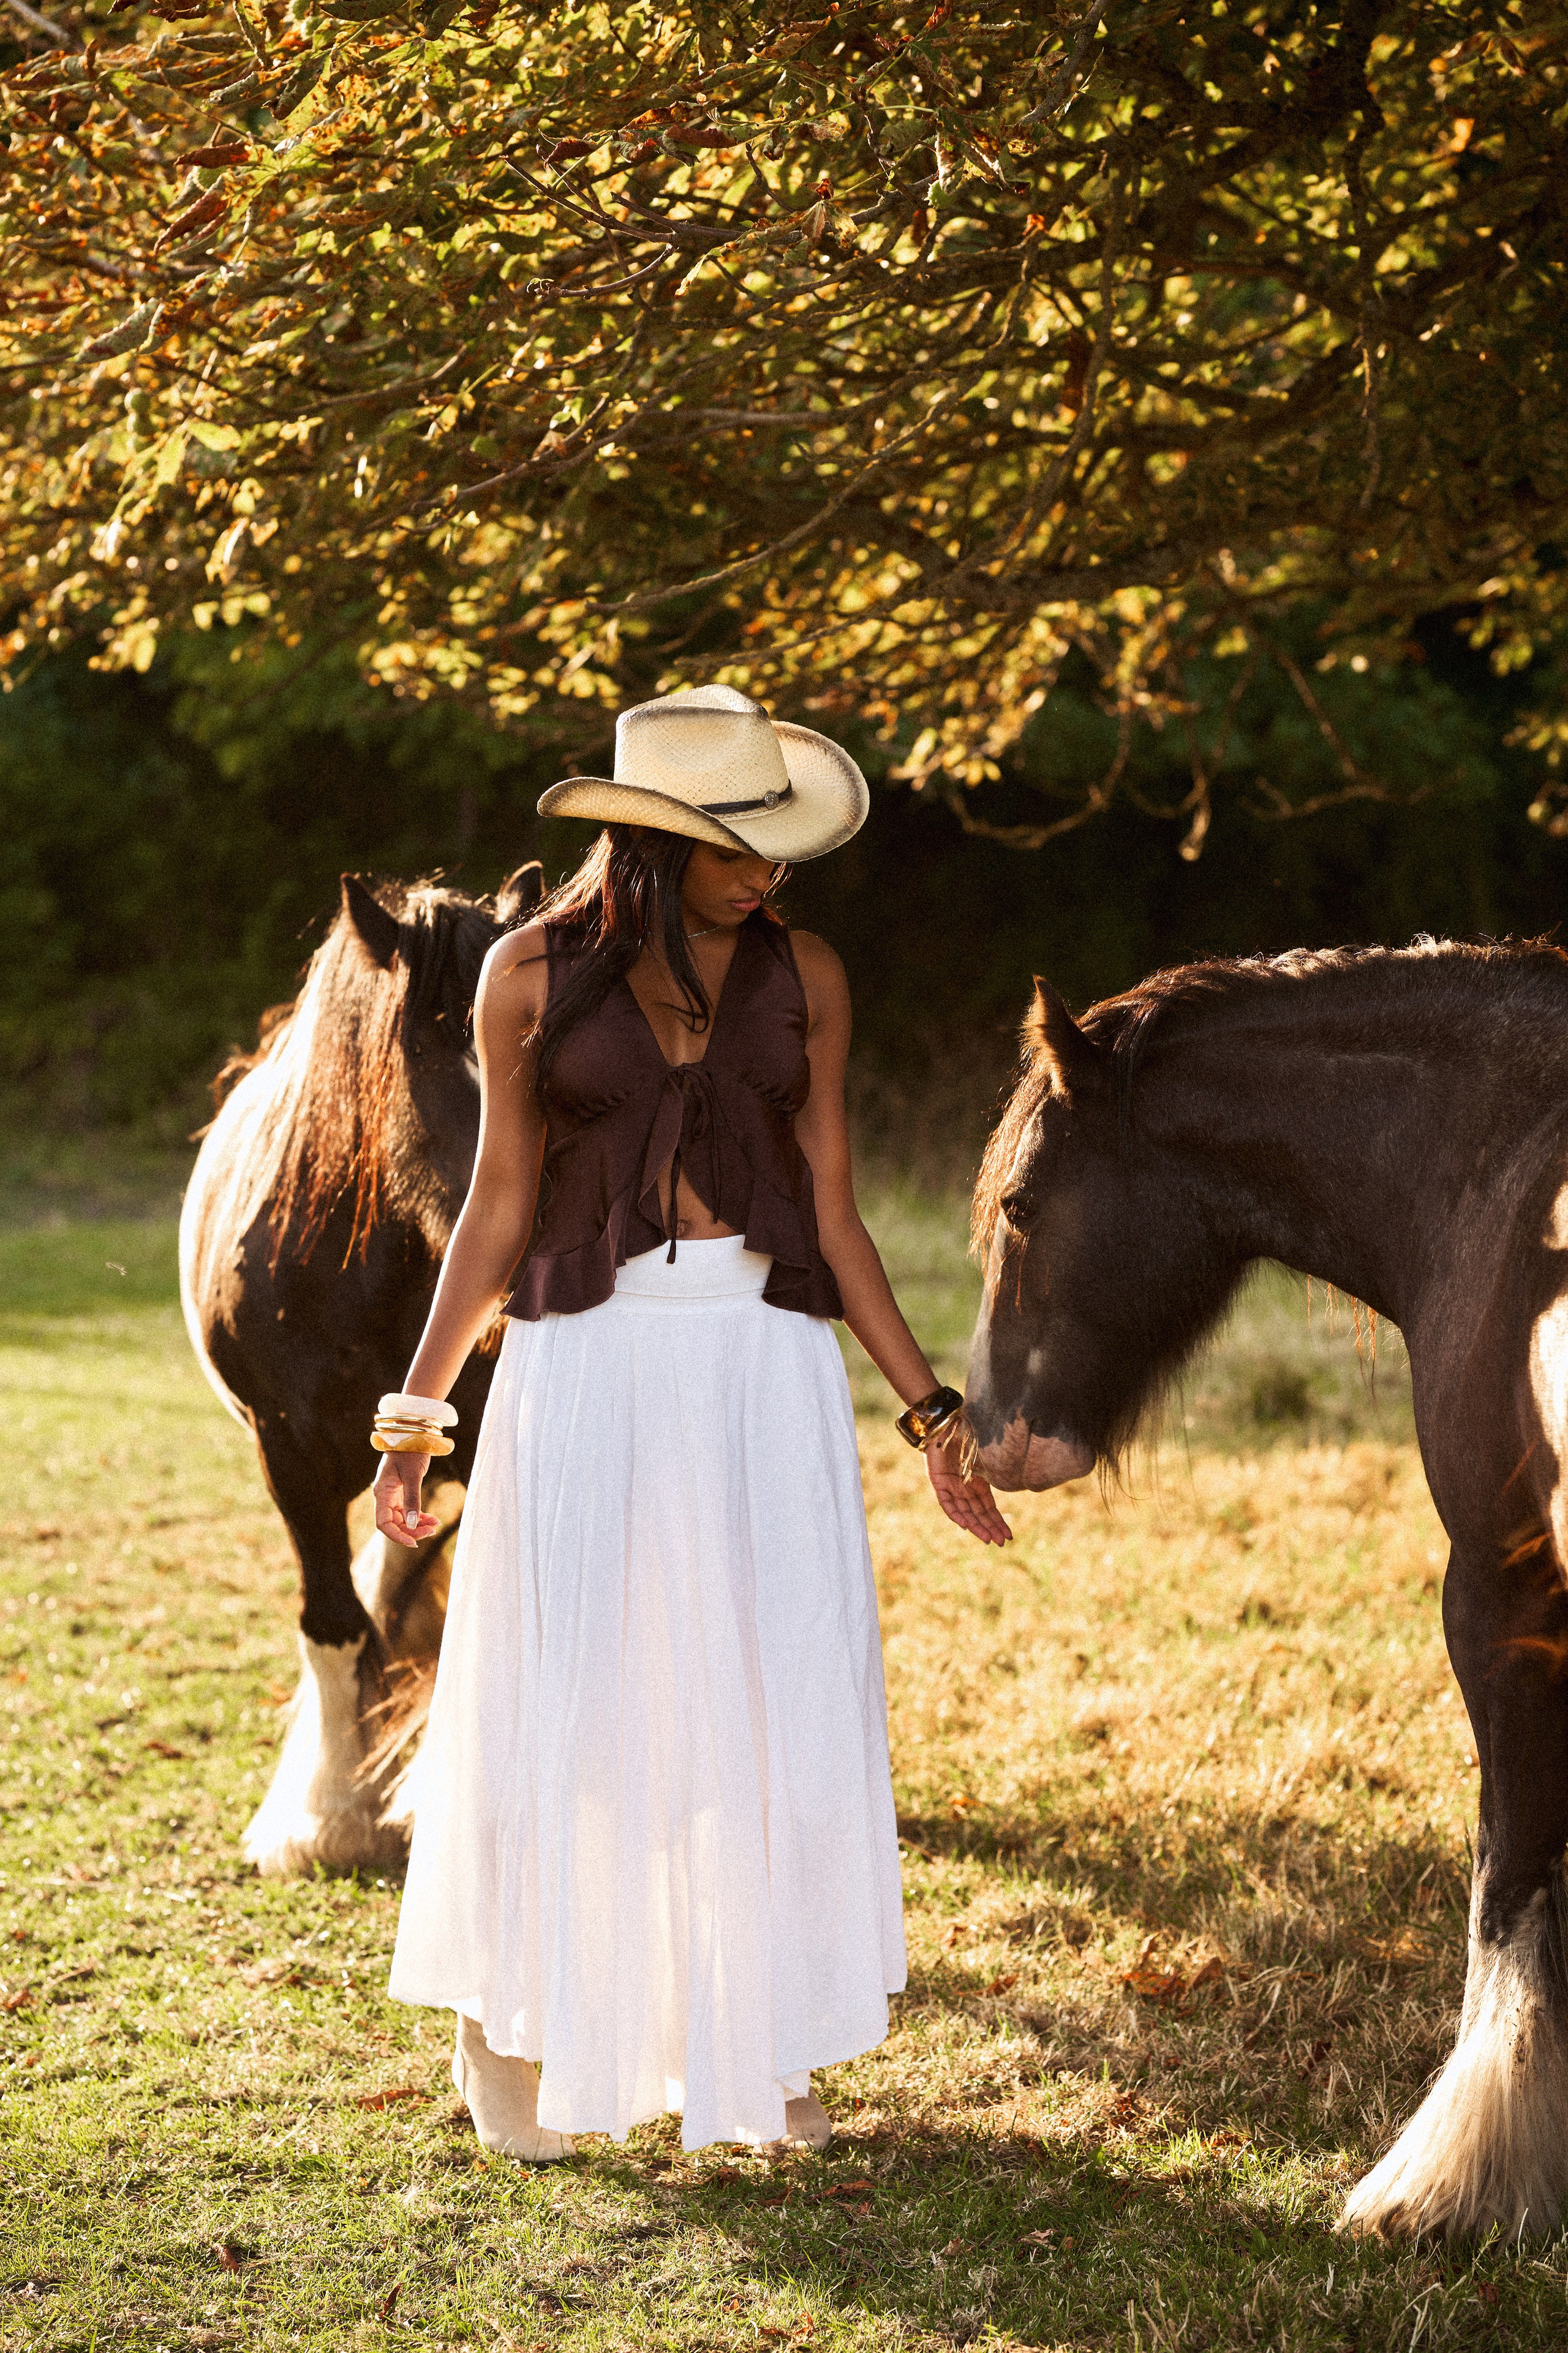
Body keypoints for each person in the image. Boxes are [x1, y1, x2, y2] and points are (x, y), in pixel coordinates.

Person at [375, 684, 1011, 2162]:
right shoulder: (527, 977)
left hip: (758, 1366)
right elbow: (498, 1203)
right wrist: (417, 1410)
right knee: (569, 1681)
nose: (766, 872)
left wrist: (930, 1417)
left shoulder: (810, 978)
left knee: (761, 1683)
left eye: (774, 845)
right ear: (654, 844)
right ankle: (511, 2030)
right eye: (737, 845)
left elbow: (836, 1214)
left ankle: (756, 2033)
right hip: (582, 1367)